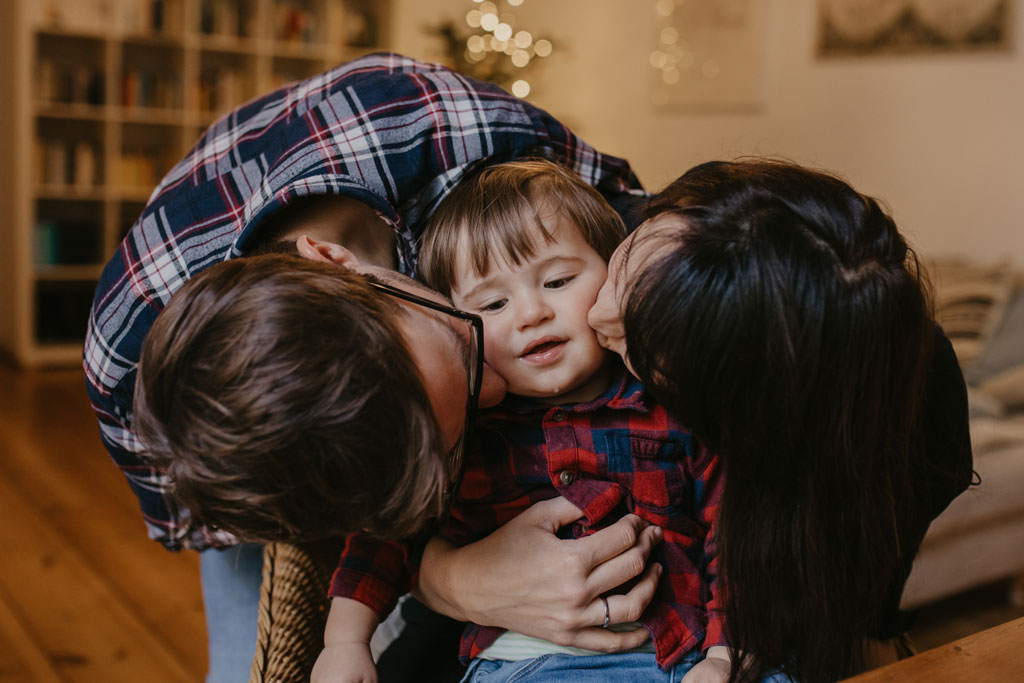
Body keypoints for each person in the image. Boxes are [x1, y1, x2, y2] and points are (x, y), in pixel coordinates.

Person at [84, 53, 657, 682]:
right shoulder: (129, 383)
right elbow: (301, 539)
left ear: (336, 260)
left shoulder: (445, 128)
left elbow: (629, 228)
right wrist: (454, 582)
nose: (499, 391)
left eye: (462, 346)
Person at [316, 158, 749, 682]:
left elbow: (730, 535)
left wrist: (725, 655)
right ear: (456, 321)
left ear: (613, 272)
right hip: (529, 663)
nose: (531, 313)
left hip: (683, 653)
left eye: (559, 280)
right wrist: (344, 642)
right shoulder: (461, 432)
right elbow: (383, 540)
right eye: (494, 303)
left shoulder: (668, 404)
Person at [585, 159, 974, 682]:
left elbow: (863, 623)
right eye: (629, 257)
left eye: (636, 344)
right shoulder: (600, 221)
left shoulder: (913, 426)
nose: (595, 314)